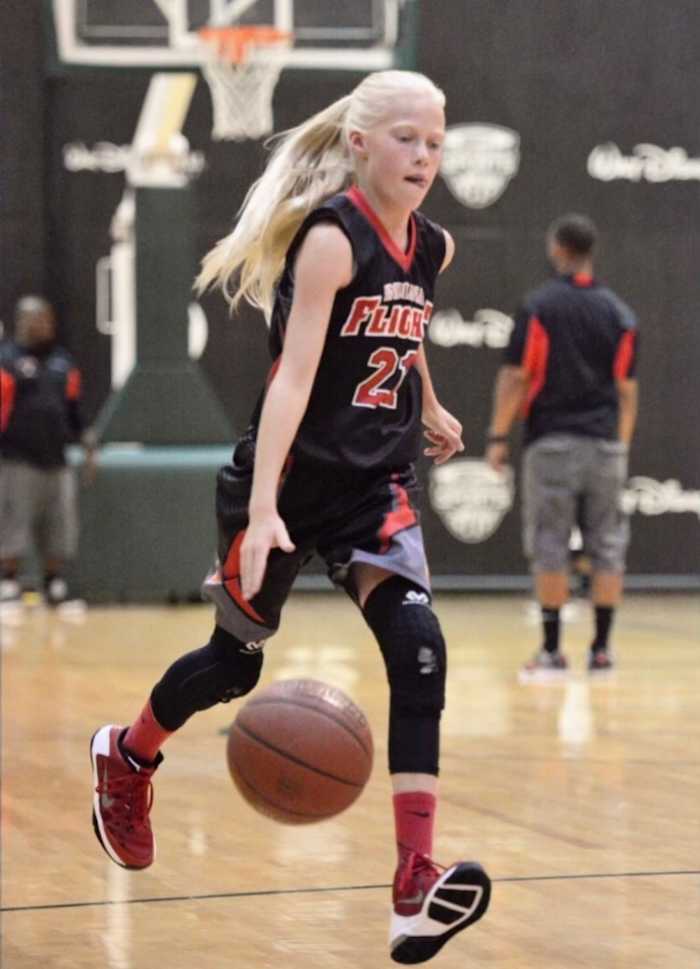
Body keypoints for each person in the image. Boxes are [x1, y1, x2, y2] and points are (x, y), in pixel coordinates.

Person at [89, 71, 491, 962]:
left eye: (436, 140)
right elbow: (294, 380)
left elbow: (404, 325)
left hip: (371, 489)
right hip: (287, 480)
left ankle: (414, 881)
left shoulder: (432, 245)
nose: (425, 156)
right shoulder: (330, 241)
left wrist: (424, 400)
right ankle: (127, 754)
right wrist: (265, 507)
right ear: (360, 144)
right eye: (407, 140)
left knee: (420, 649)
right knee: (233, 668)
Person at [485, 213, 639, 681]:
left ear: (558, 249)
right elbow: (627, 389)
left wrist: (496, 436)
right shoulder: (619, 312)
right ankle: (602, 652)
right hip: (606, 447)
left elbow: (516, 375)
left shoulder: (540, 307)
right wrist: (620, 445)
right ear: (590, 251)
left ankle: (552, 653)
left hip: (551, 444)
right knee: (608, 547)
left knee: (550, 546)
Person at [0, 295, 97, 606]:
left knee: (59, 525)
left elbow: (73, 410)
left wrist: (87, 442)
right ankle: (9, 584)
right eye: (33, 319)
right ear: (20, 323)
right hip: (17, 458)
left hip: (57, 459)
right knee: (13, 521)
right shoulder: (7, 360)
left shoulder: (62, 363)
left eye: (45, 318)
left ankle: (53, 583)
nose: (40, 325)